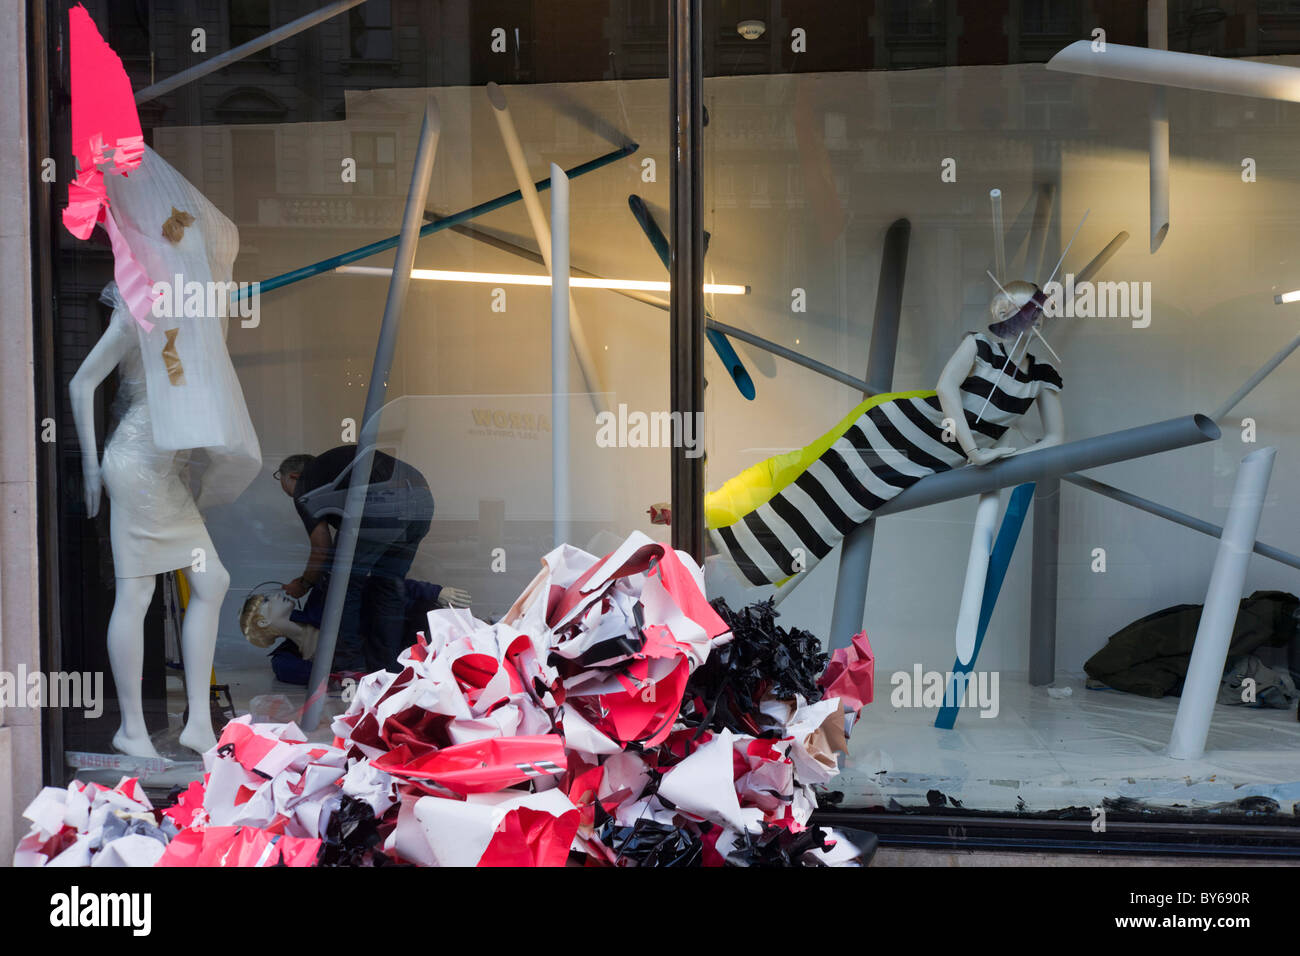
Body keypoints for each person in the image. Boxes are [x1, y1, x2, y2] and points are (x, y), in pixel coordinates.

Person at [276, 445, 438, 672]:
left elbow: (321, 545)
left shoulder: (306, 483)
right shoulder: (334, 469)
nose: (294, 497)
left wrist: (305, 583)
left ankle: (350, 668)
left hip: (381, 503)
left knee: (342, 585)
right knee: (389, 586)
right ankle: (388, 669)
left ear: (293, 476)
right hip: (421, 498)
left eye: (288, 489)